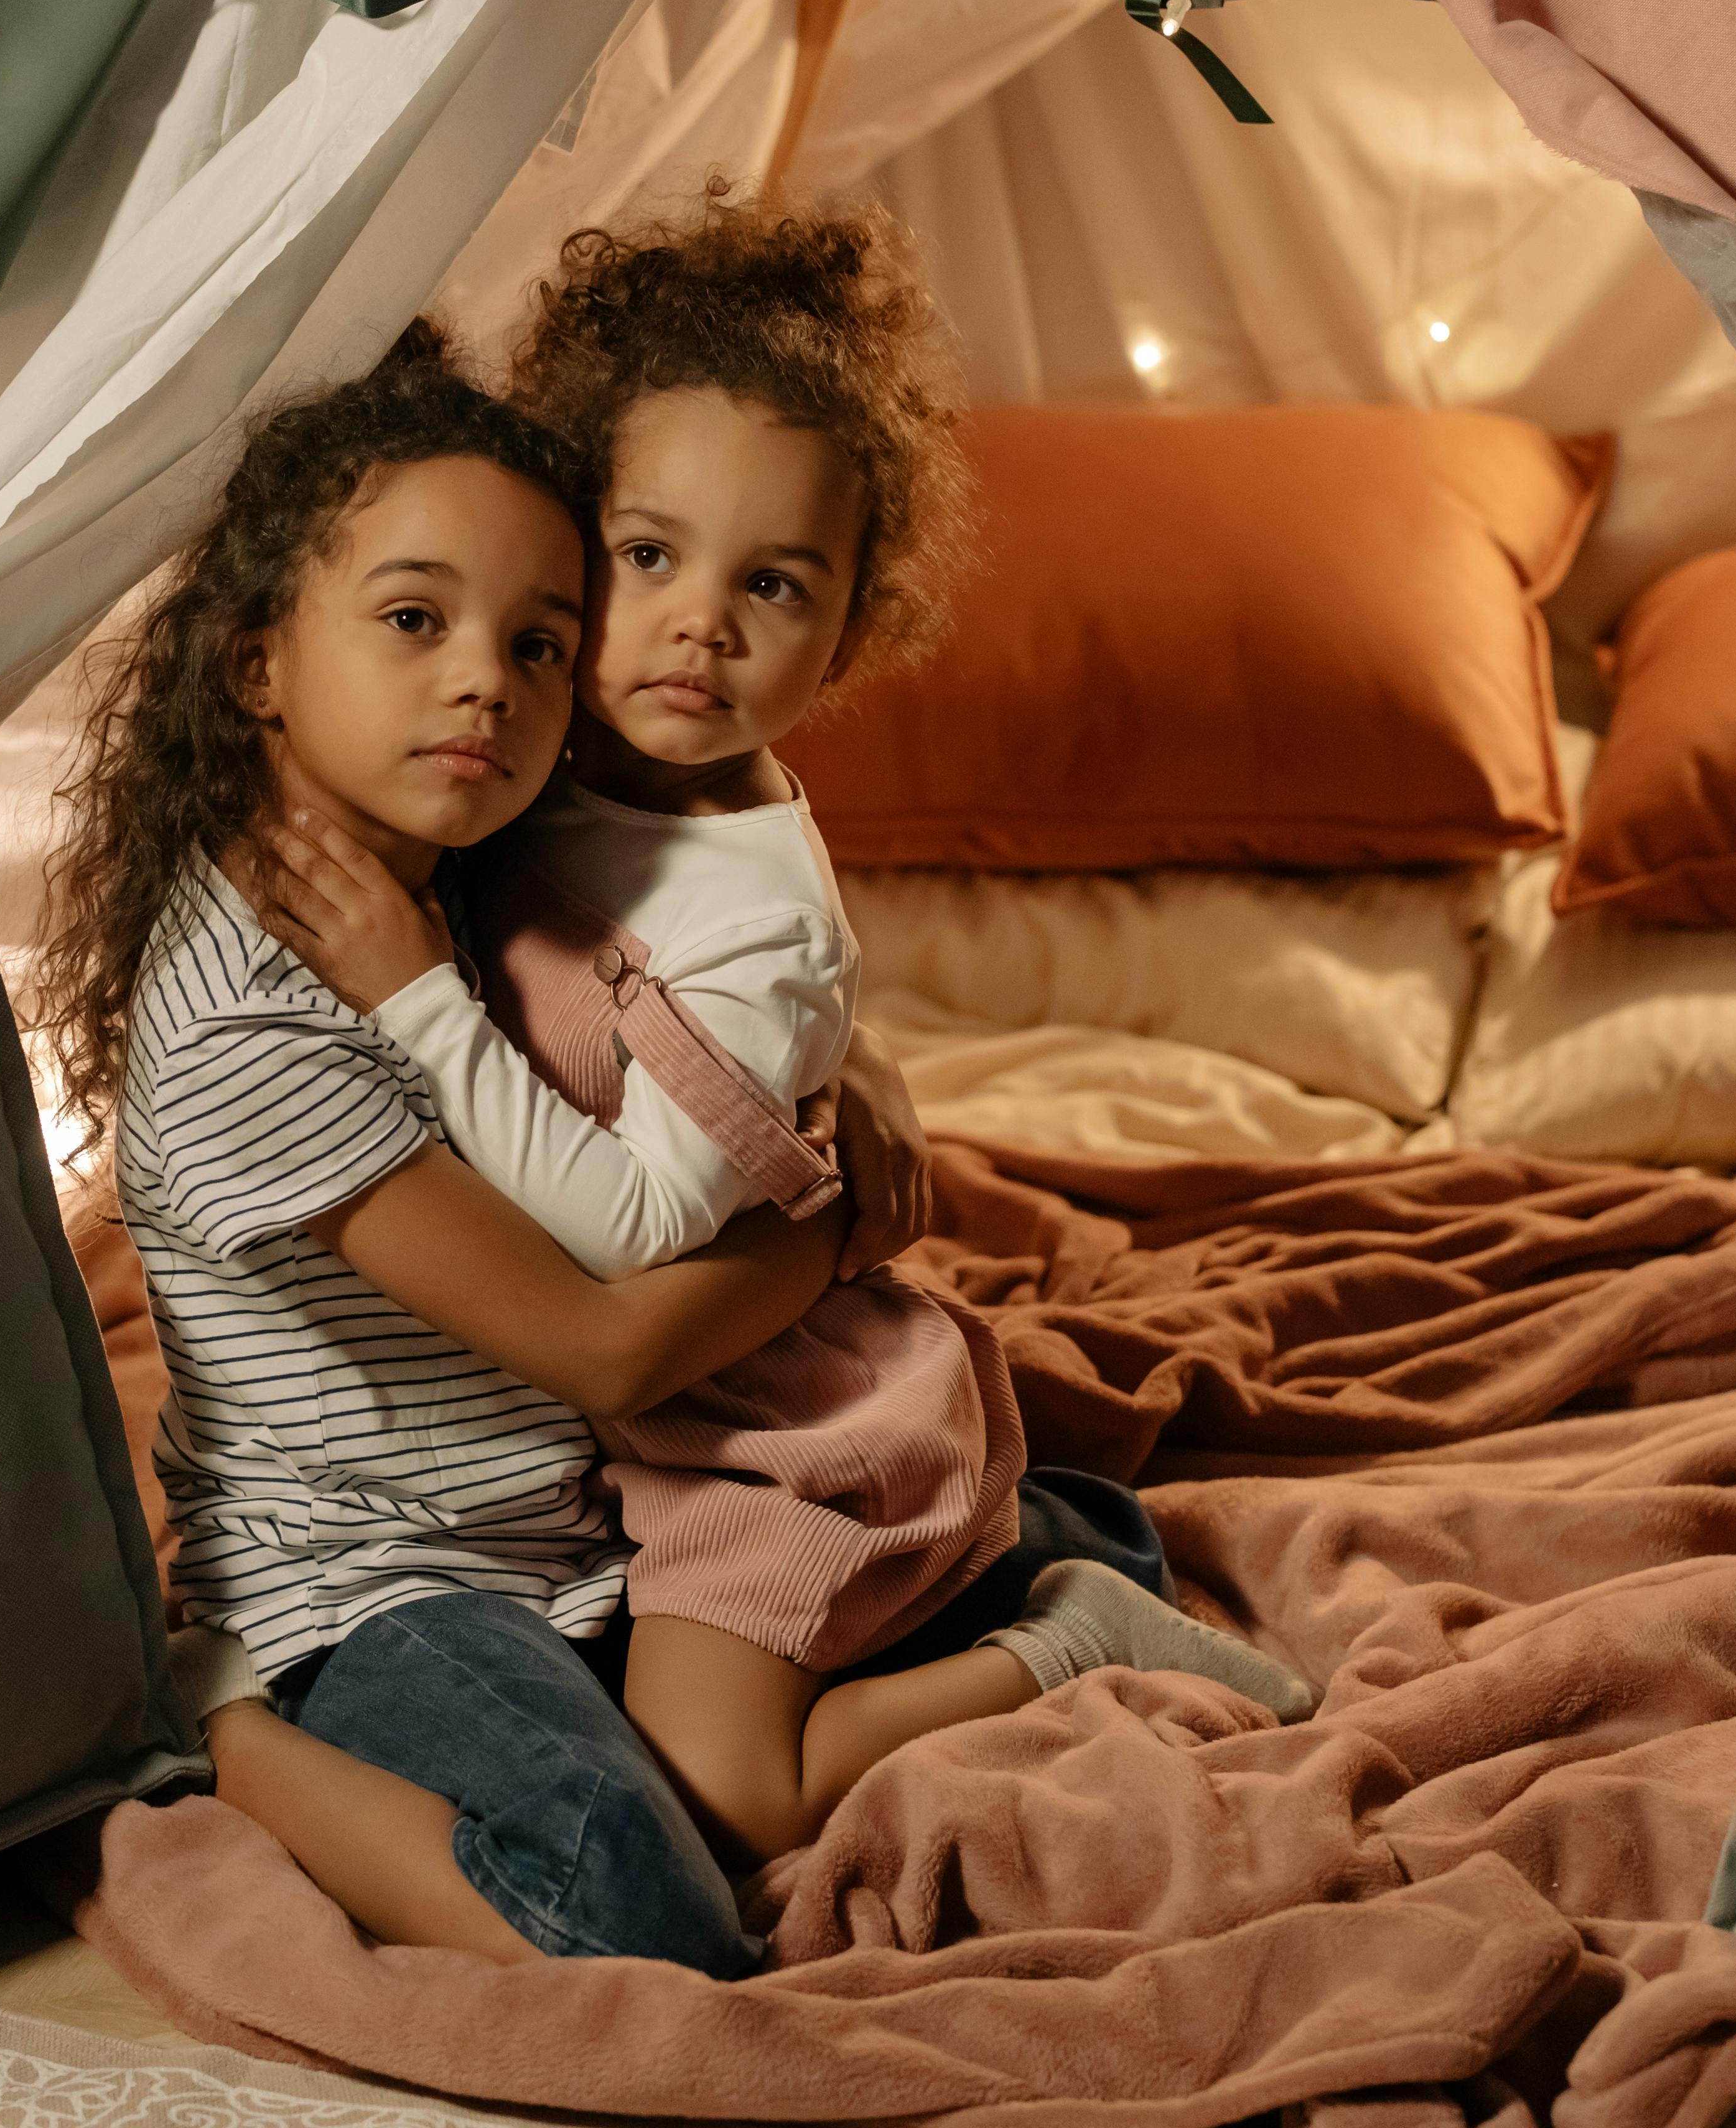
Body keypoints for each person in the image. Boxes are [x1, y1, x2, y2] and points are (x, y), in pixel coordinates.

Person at [22, 315, 1246, 1976]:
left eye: (540, 641)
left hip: (583, 1524)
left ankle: (1032, 1549)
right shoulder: (261, 1001)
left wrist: (849, 1060)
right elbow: (600, 1338)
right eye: (411, 621)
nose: (485, 682)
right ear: (254, 663)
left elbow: (698, 970)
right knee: (635, 1911)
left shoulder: (449, 840)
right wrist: (837, 1222)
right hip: (376, 1580)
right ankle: (215, 1729)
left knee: (788, 1639)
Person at [240, 197, 1314, 1878]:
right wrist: (851, 1064)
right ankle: (1000, 1549)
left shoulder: (752, 915)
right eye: (646, 557)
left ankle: (1075, 1636)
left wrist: (405, 995)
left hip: (761, 1431)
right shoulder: (536, 758)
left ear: (853, 622)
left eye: (776, 585)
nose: (699, 626)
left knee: (724, 1794)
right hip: (590, 1433)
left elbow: (631, 1228)